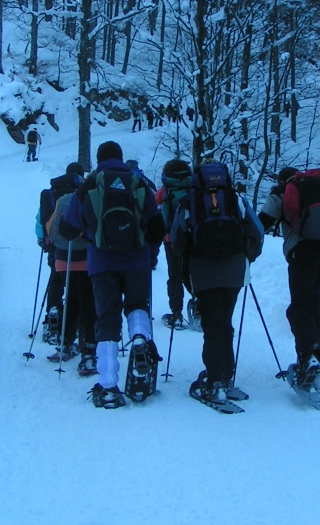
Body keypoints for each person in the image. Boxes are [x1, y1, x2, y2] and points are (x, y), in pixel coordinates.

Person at [60, 141, 166, 408]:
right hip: (137, 261)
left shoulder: (90, 184)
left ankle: (108, 387)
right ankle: (139, 339)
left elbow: (67, 229)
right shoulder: (138, 183)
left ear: (99, 159)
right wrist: (149, 254)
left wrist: (88, 232)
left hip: (102, 262)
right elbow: (157, 228)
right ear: (120, 157)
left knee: (107, 318)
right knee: (137, 305)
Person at [171, 161, 263, 404]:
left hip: (204, 272)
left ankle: (216, 382)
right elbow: (258, 232)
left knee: (212, 325)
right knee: (225, 322)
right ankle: (225, 376)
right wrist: (247, 256)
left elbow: (177, 241)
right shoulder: (237, 200)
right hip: (234, 270)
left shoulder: (189, 203)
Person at [258, 166, 320, 388]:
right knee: (313, 298)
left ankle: (308, 357)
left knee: (299, 305)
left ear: (282, 180)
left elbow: (263, 223)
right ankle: (318, 354)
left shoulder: (282, 192)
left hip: (302, 252)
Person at [45, 175, 97, 374]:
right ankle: (89, 348)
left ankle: (65, 343)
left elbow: (50, 227)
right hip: (88, 259)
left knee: (72, 300)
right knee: (88, 303)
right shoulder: (92, 197)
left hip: (63, 259)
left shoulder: (62, 200)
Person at [35, 163, 86, 343]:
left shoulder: (52, 192)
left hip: (54, 245)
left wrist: (42, 240)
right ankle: (78, 322)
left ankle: (53, 309)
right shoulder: (83, 192)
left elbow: (40, 219)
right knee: (78, 285)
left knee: (56, 277)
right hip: (79, 248)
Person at [154, 159, 194, 329]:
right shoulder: (193, 188)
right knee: (190, 273)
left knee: (175, 275)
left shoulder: (165, 190)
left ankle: (176, 314)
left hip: (171, 239)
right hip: (192, 238)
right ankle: (199, 307)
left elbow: (153, 207)